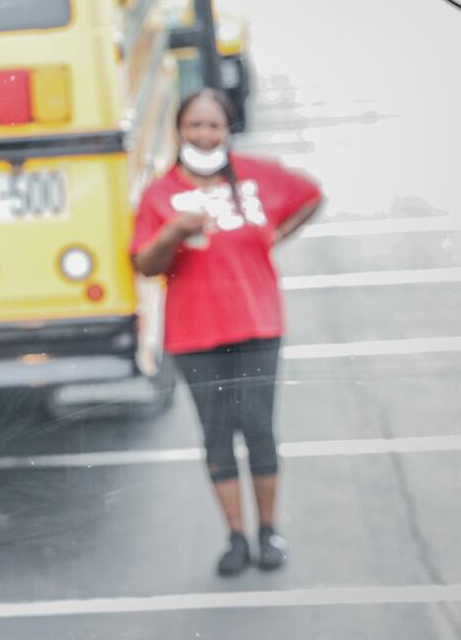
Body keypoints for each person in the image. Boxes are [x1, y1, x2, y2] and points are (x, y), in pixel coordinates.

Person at [131, 88, 322, 577]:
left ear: (227, 130)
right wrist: (172, 231)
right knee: (217, 435)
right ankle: (235, 536)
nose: (204, 134)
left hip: (258, 325)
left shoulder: (257, 176)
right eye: (195, 125)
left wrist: (277, 234)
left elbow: (309, 194)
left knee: (258, 428)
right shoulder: (160, 194)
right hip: (195, 336)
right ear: (180, 130)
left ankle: (269, 532)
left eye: (213, 125)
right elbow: (145, 264)